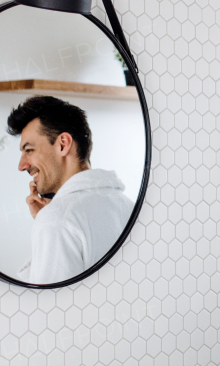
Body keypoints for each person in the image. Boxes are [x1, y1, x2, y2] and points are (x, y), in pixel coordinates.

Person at [7, 95, 134, 284]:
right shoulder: (127, 206)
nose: (22, 165)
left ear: (63, 144)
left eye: (29, 150)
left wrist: (52, 222)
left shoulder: (57, 220)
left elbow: (50, 306)